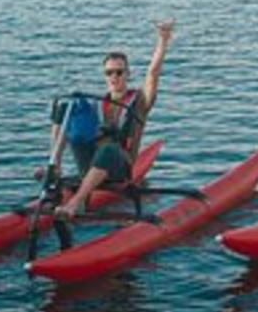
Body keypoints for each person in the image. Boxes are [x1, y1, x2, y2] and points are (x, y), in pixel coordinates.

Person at [55, 21, 173, 218]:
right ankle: (54, 166)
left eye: (119, 72)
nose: (114, 77)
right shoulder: (100, 104)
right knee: (69, 107)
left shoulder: (139, 101)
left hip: (119, 168)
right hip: (92, 163)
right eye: (109, 73)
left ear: (127, 74)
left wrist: (162, 41)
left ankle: (75, 204)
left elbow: (152, 74)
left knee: (109, 149)